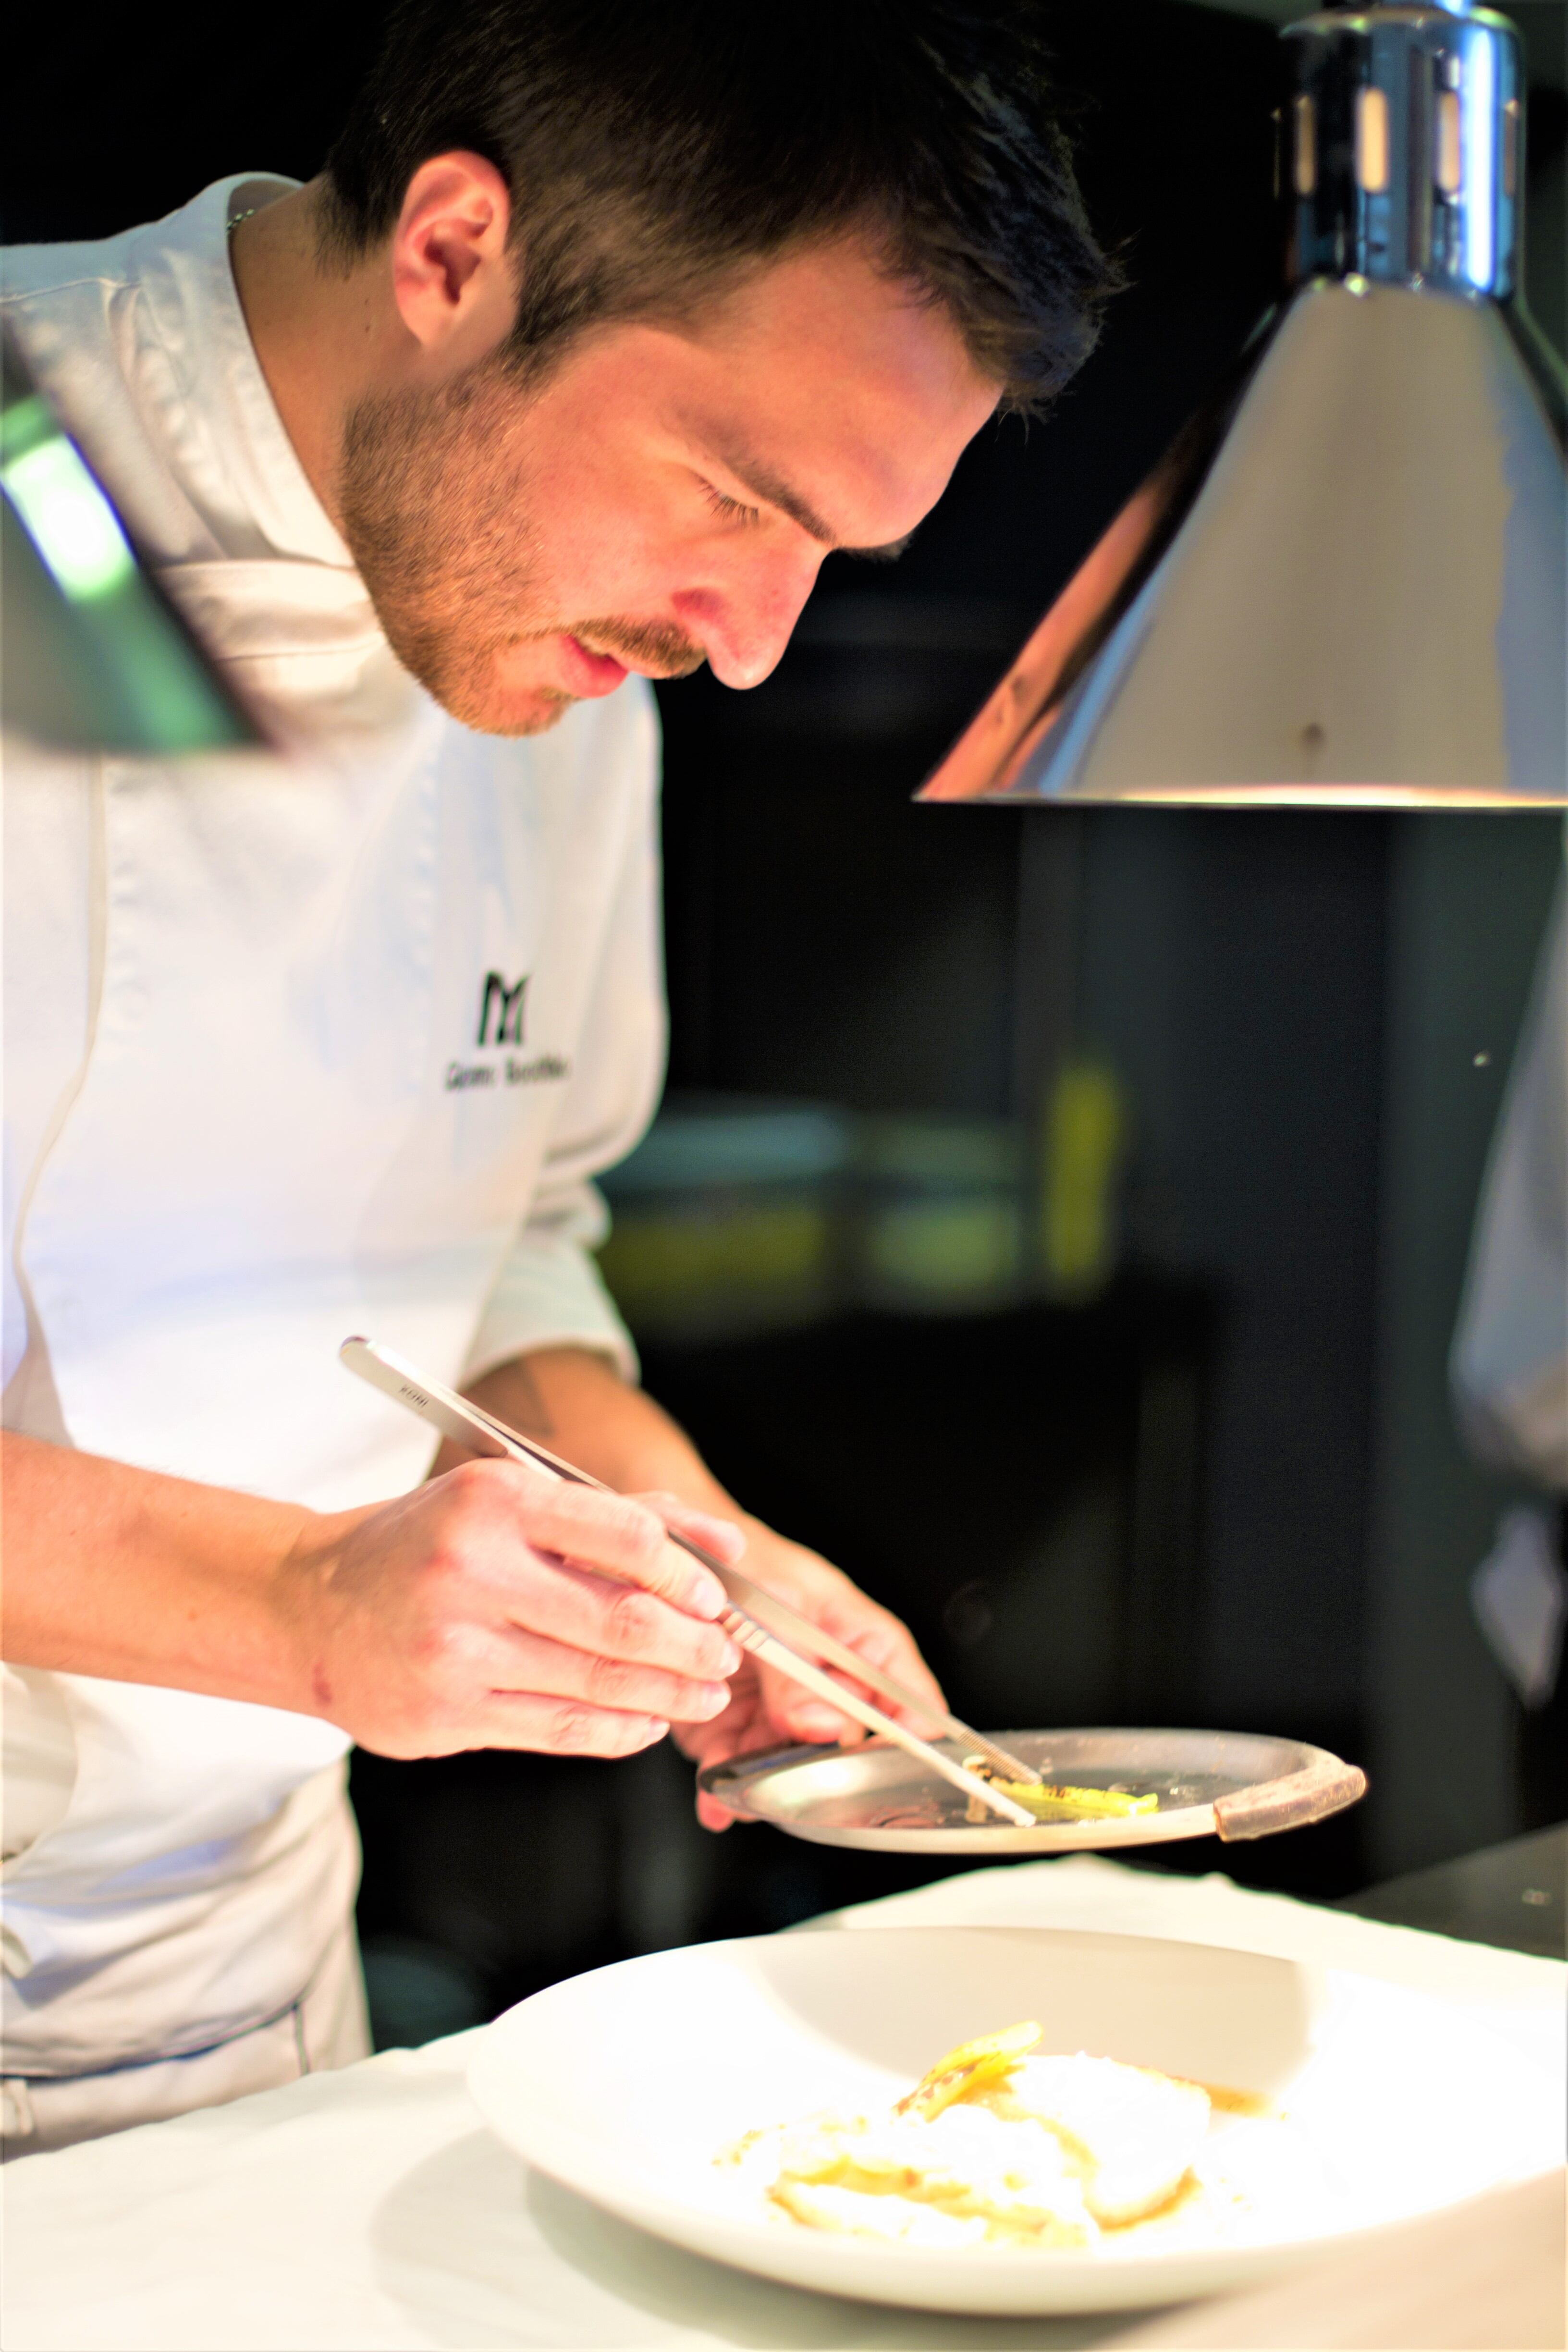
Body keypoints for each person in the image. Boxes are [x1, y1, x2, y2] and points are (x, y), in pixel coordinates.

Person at [0, 0, 1115, 2152]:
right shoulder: (28, 488)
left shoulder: (567, 652)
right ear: (451, 253)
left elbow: (500, 1243)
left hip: (238, 2035)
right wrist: (308, 1611)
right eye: (732, 494)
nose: (758, 643)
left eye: (832, 558)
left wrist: (679, 1534)